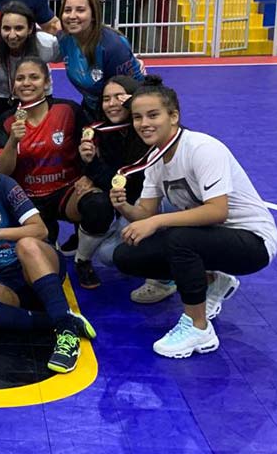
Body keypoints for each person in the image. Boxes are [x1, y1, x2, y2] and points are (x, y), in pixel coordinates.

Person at [112, 78, 276, 359]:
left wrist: (156, 222)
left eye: (153, 115)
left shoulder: (201, 148)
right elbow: (146, 215)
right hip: (211, 237)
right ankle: (214, 279)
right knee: (127, 255)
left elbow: (217, 211)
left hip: (252, 241)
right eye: (138, 117)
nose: (144, 123)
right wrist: (125, 206)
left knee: (178, 237)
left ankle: (198, 328)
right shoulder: (155, 158)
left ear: (173, 116)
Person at [0, 137, 96, 374]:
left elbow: (40, 230)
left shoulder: (4, 185)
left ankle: (66, 335)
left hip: (36, 264)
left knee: (26, 244)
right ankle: (58, 320)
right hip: (0, 277)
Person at [0, 58, 111, 254]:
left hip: (67, 191)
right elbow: (3, 170)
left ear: (47, 82)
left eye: (34, 77)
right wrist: (13, 140)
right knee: (40, 252)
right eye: (20, 78)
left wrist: (89, 176)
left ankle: (83, 259)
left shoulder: (68, 110)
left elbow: (91, 147)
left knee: (98, 207)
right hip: (28, 197)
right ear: (13, 86)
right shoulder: (6, 120)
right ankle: (49, 235)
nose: (27, 83)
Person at [72, 75, 151, 290]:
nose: (112, 104)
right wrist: (87, 164)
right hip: (124, 201)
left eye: (119, 97)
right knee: (108, 253)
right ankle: (83, 259)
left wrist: (94, 170)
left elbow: (127, 180)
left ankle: (164, 277)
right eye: (106, 99)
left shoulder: (148, 129)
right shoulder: (97, 132)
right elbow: (116, 182)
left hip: (150, 202)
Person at [58, 0, 144, 118]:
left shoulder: (112, 47)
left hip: (125, 111)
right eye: (67, 10)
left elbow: (125, 94)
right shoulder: (64, 39)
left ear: (93, 15)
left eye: (80, 10)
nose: (72, 16)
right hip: (92, 108)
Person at [0, 0, 59, 129]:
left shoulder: (47, 44)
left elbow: (68, 60)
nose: (12, 35)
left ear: (30, 28)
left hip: (39, 96)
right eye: (6, 28)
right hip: (1, 97)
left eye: (19, 28)